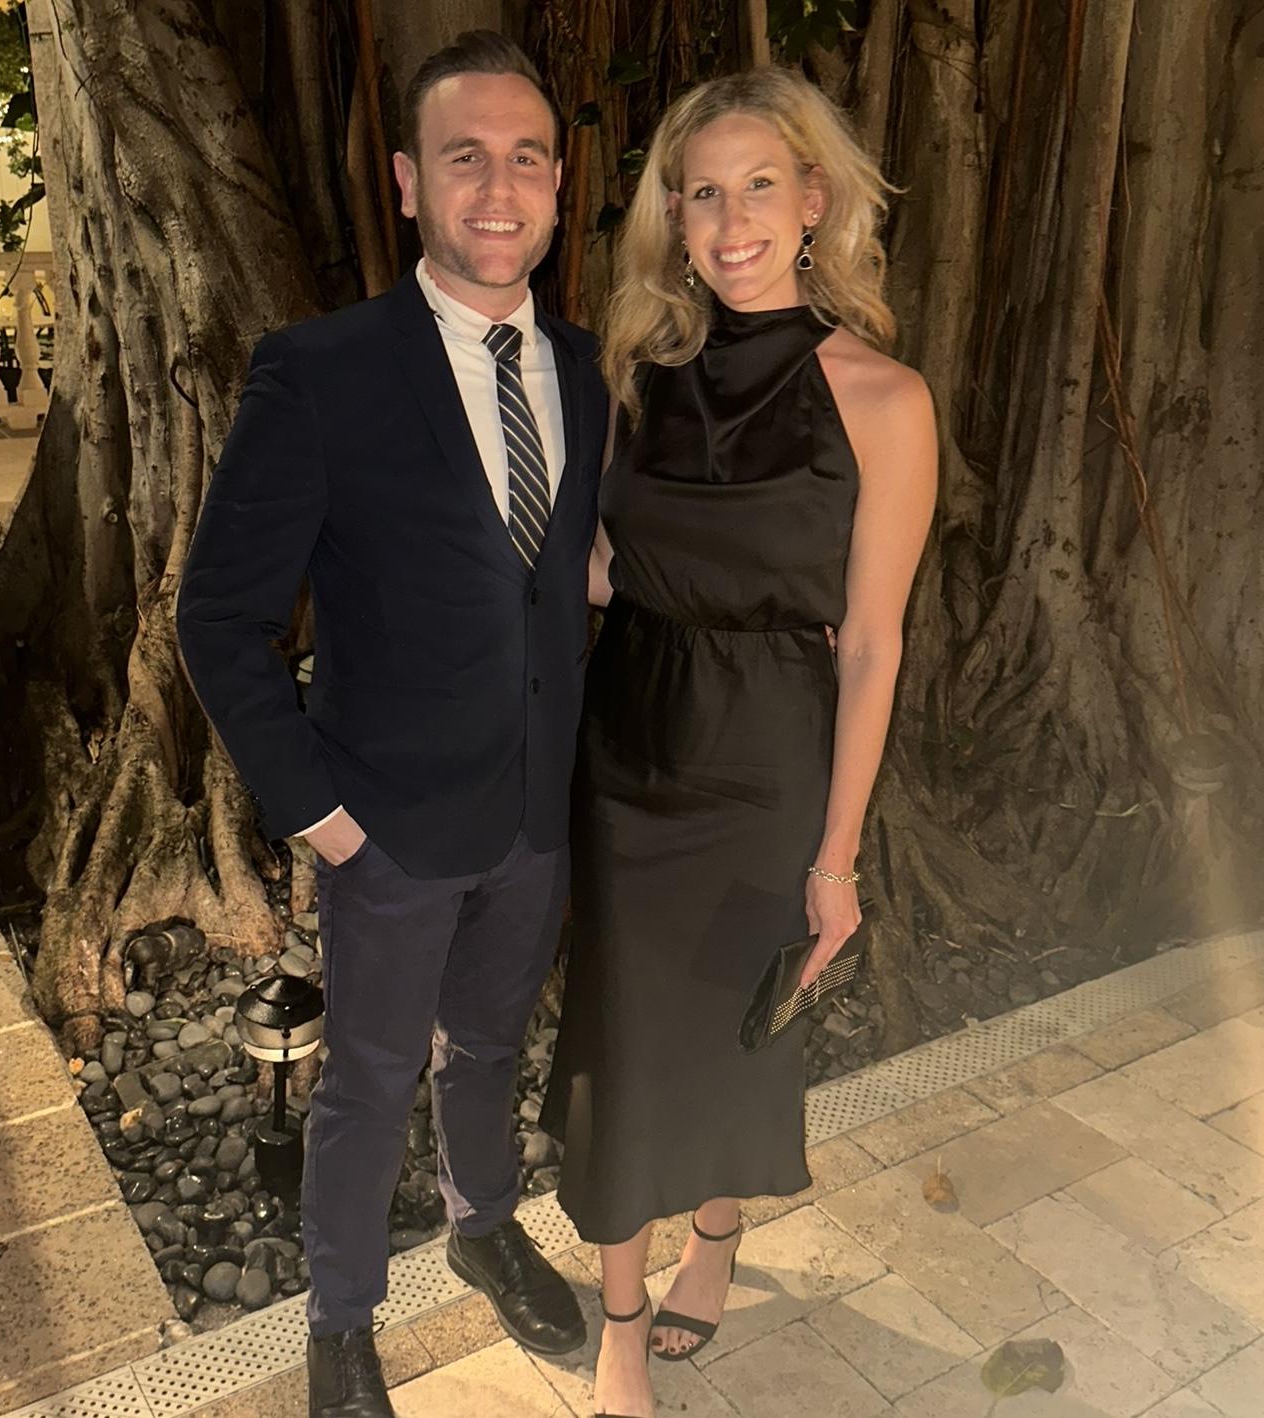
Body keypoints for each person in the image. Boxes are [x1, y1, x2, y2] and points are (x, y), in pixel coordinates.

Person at [177, 31, 609, 1418]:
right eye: (464, 157)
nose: (500, 187)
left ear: (560, 185)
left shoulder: (585, 370)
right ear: (408, 182)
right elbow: (217, 617)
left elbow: (556, 573)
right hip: (384, 827)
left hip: (533, 815)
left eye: (527, 157)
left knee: (489, 1048)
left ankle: (484, 1228)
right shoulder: (322, 370)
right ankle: (341, 1322)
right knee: (365, 1080)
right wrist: (319, 814)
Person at [538, 67, 937, 1418]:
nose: (730, 219)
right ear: (676, 216)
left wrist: (837, 858)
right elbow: (607, 566)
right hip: (629, 746)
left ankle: (712, 1237)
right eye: (701, 193)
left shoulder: (883, 399)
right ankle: (619, 1322)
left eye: (759, 184)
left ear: (814, 200)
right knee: (619, 1039)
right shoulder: (636, 376)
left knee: (737, 1026)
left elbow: (871, 643)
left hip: (771, 757)